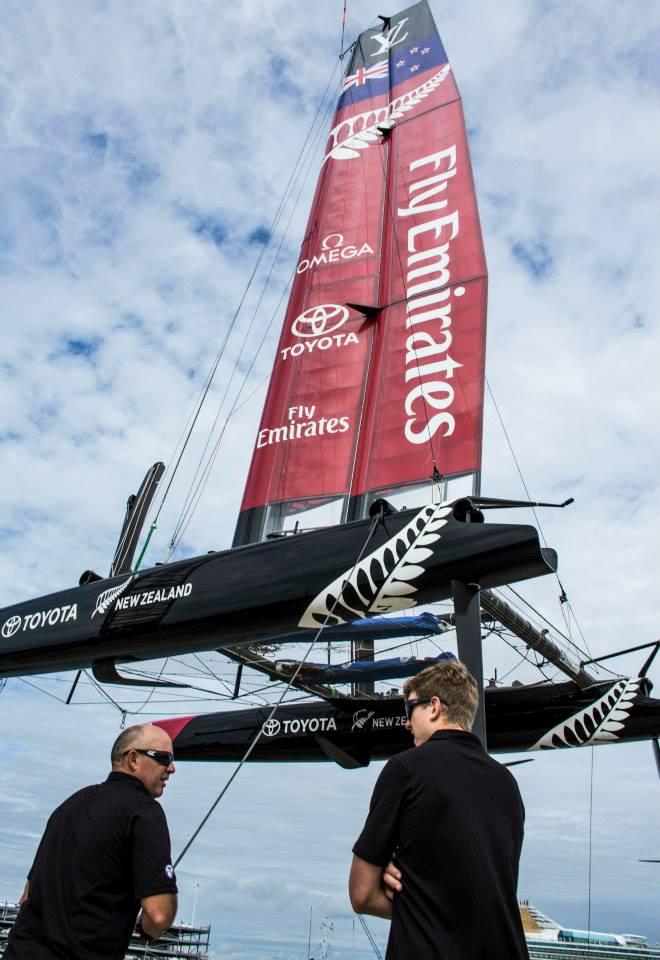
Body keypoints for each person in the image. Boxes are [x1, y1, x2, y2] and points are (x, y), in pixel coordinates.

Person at [349, 660, 529, 960]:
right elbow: (483, 883)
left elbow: (362, 894)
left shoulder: (405, 769)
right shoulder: (508, 784)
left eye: (409, 710)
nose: (407, 723)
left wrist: (411, 894)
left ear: (434, 707)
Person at [5, 723, 179, 960]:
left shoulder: (67, 806)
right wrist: (149, 929)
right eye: (163, 758)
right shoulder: (145, 812)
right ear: (133, 760)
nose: (171, 768)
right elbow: (158, 915)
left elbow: (27, 896)